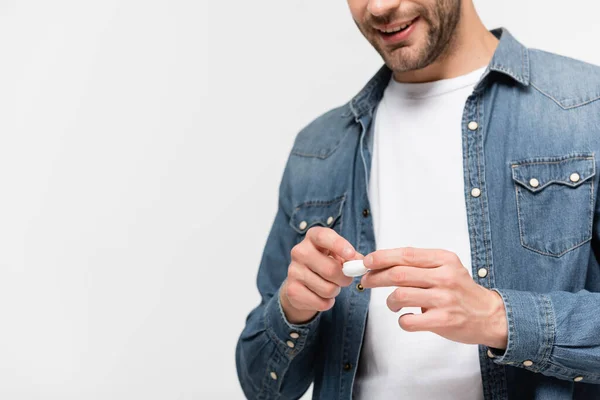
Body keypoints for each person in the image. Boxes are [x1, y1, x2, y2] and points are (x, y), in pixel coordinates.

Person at [236, 0, 600, 398]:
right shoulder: (319, 150)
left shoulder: (587, 110)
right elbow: (262, 387)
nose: (379, 7)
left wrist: (500, 319)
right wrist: (292, 309)